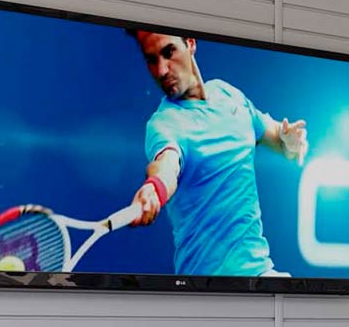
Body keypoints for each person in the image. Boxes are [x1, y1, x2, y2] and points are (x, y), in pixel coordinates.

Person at [128, 29, 307, 277]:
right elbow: (166, 164)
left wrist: (291, 141)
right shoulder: (164, 124)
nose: (161, 70)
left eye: (168, 52)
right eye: (151, 60)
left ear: (190, 43)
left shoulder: (227, 94)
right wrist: (154, 188)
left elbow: (279, 138)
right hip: (204, 289)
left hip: (260, 277)